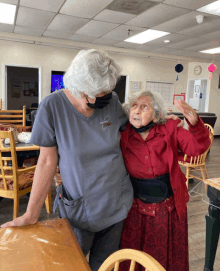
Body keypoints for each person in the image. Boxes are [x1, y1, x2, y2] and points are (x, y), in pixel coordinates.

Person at [1, 49, 183, 270]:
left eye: (108, 91)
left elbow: (136, 128)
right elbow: (46, 162)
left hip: (116, 203)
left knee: (104, 265)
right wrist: (30, 214)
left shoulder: (111, 101)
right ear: (79, 88)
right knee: (71, 264)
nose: (105, 97)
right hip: (79, 208)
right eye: (99, 94)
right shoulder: (52, 106)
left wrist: (162, 121)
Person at [119, 90, 211, 271]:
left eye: (144, 107)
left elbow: (197, 148)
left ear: (156, 115)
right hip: (135, 206)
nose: (136, 111)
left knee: (165, 256)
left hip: (167, 206)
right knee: (133, 255)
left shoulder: (169, 129)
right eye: (134, 106)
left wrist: (194, 124)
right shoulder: (123, 133)